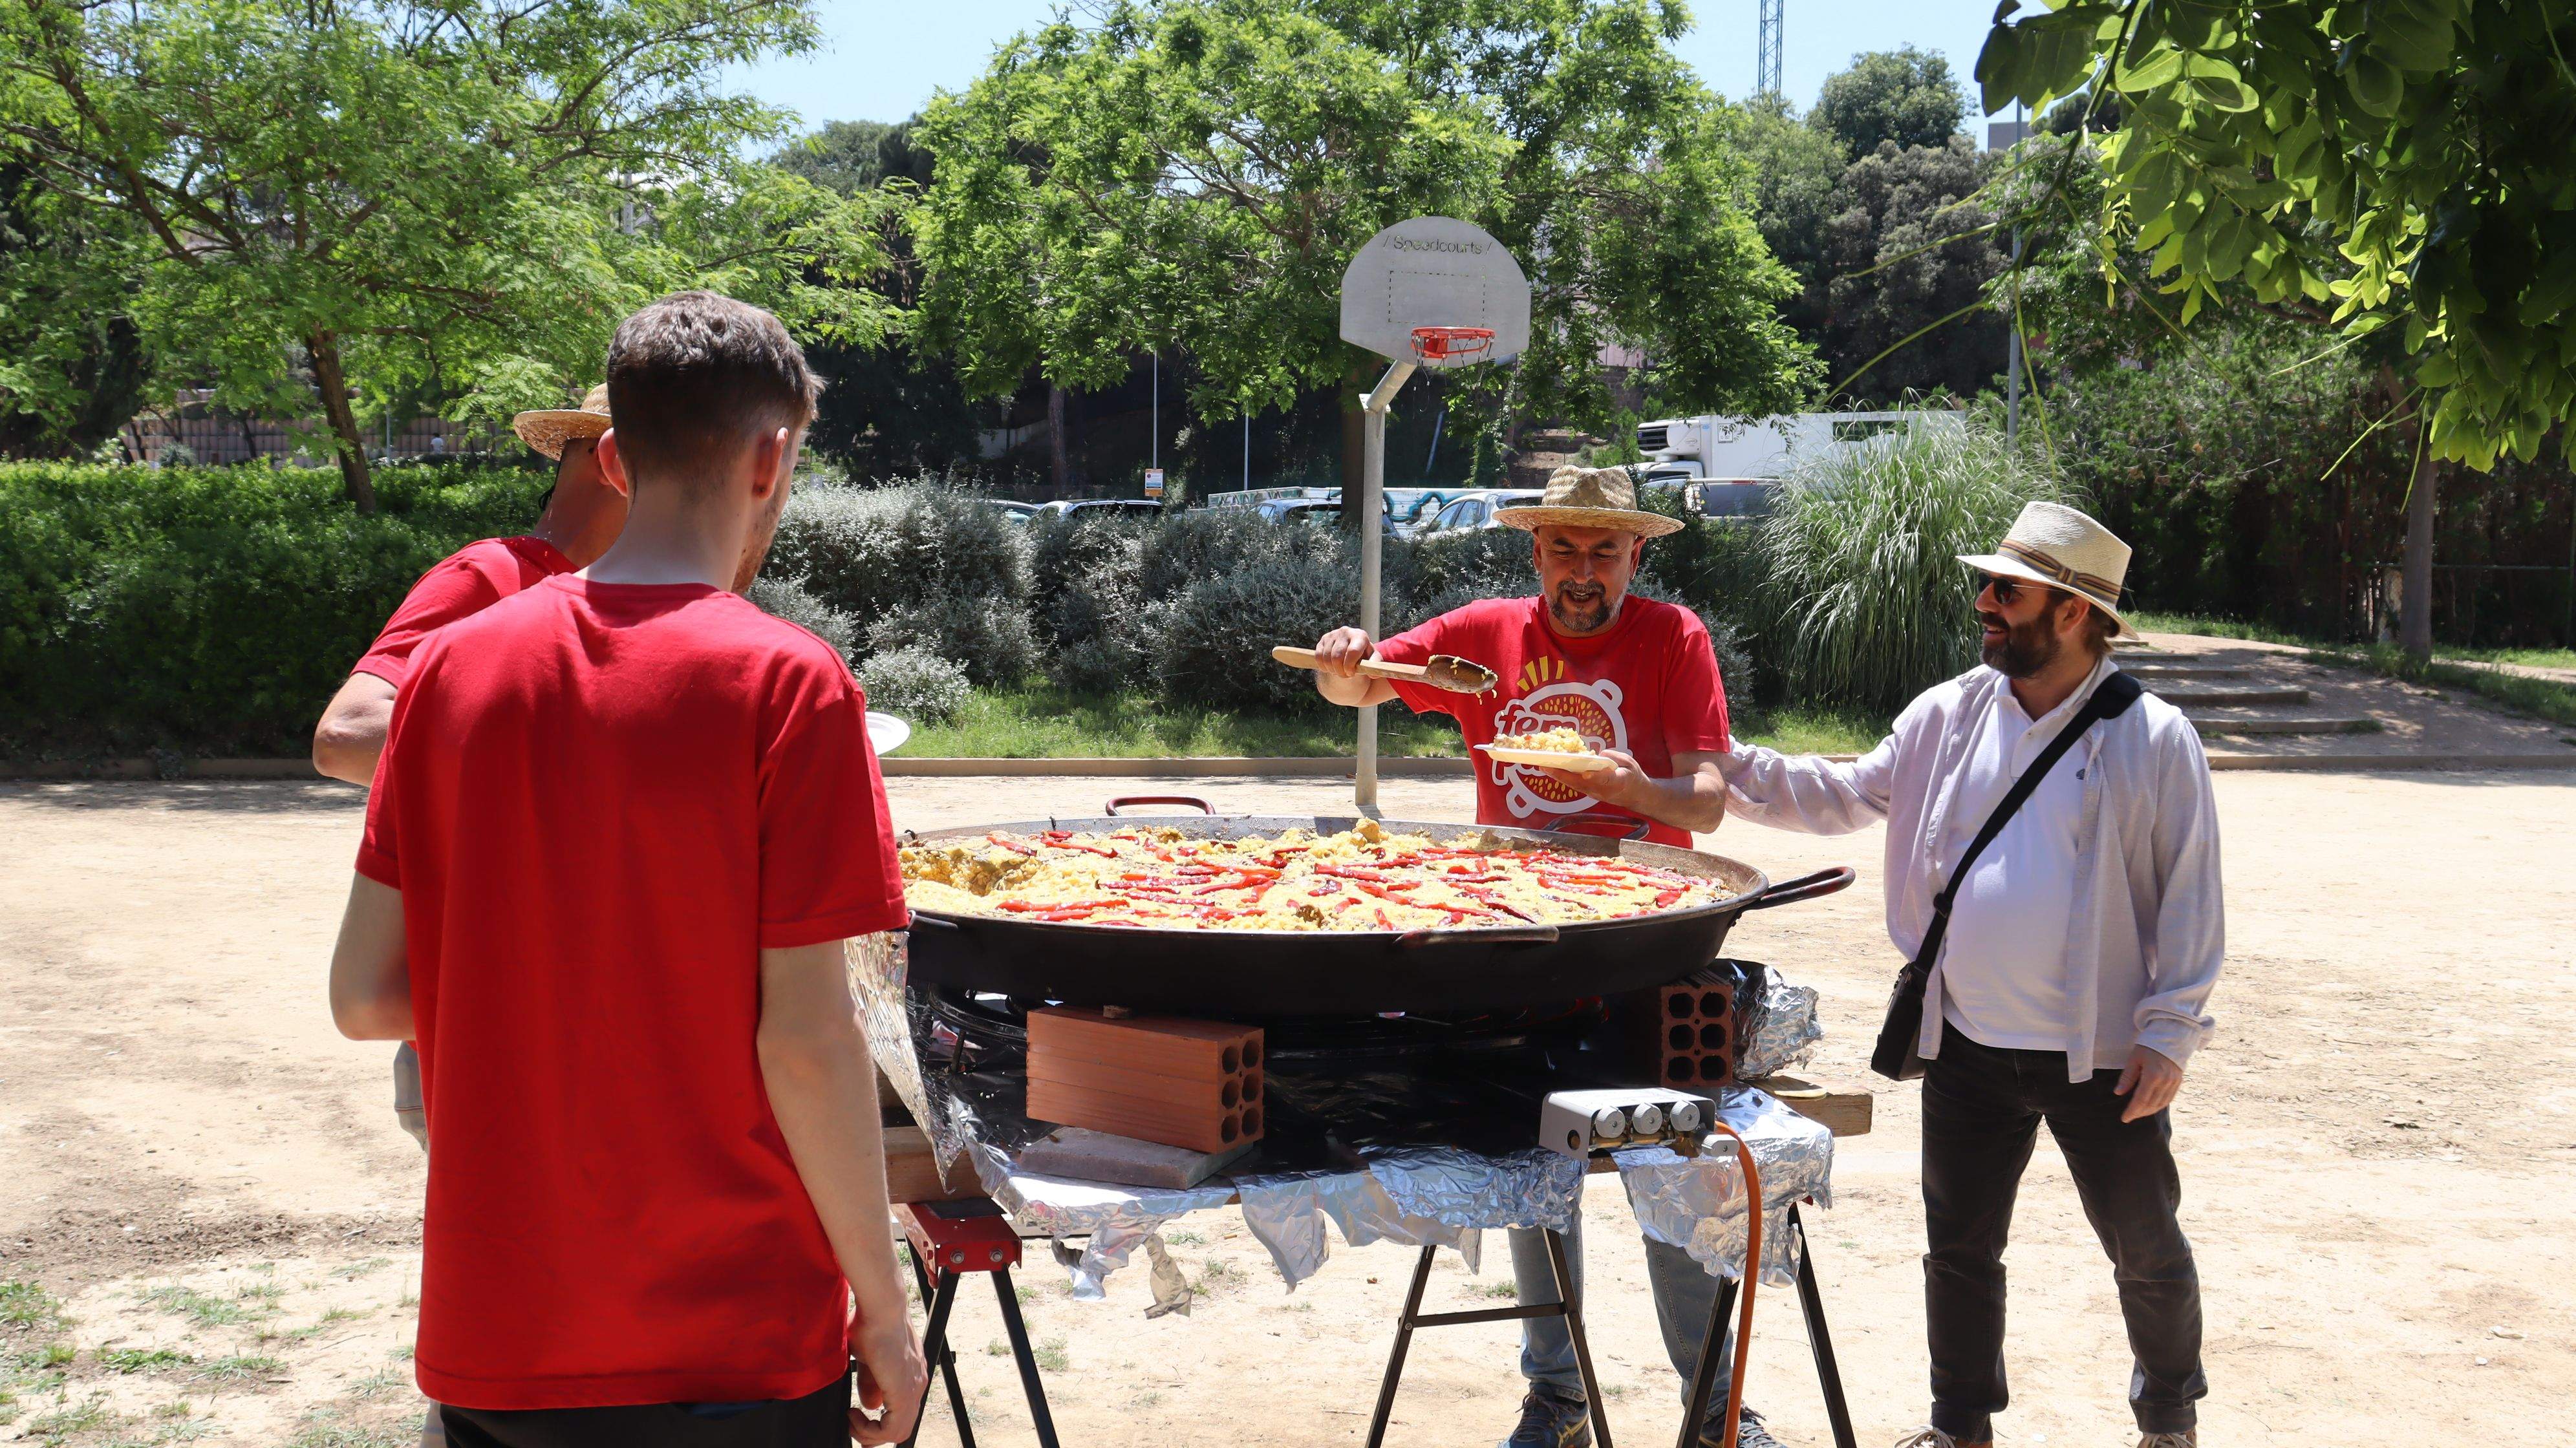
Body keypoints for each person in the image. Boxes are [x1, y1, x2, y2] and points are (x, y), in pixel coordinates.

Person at [325, 290, 927, 1447]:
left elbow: (362, 998)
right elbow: (807, 1041)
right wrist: (888, 1312)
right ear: (772, 458)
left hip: (504, 1330)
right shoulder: (792, 685)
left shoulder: (445, 672)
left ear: (611, 456)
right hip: (731, 1336)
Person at [1717, 502, 2223, 1448]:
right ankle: (1961, 1429)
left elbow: (2192, 892)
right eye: (1985, 585)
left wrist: (2171, 1032)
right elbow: (1843, 794)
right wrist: (1720, 758)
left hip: (2104, 1057)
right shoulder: (1948, 713)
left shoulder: (2153, 736)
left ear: (2073, 612)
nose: (1984, 603)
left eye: (2007, 591)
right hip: (1965, 1042)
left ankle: (2168, 1420)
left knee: (2146, 1249)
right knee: (1958, 1251)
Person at [1305, 465, 1783, 1448]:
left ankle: (1713, 1411)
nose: (1583, 570)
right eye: (1564, 548)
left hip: (1643, 937)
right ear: (1536, 552)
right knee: (1533, 1166)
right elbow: (1357, 685)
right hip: (1514, 937)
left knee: (1670, 1165)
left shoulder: (1673, 637)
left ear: (1635, 555)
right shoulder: (1486, 635)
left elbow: (1704, 804)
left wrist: (1629, 786)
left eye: (1604, 550)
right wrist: (1341, 658)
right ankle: (1557, 1398)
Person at [311, 385, 628, 787]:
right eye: (676, 473)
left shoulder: (627, 598)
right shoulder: (488, 573)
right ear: (610, 462)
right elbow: (345, 736)